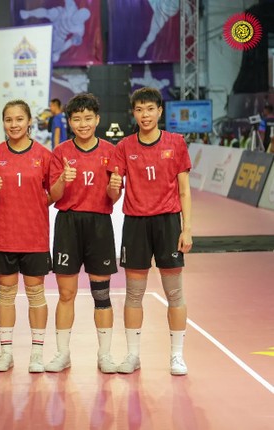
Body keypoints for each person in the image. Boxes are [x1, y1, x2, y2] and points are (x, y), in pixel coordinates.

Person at [107, 87, 192, 376]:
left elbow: (184, 190)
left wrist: (187, 229)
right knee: (134, 294)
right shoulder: (124, 147)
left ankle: (177, 356)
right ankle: (133, 355)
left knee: (175, 293)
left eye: (150, 109)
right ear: (134, 113)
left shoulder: (176, 142)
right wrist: (112, 185)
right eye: (140, 110)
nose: (145, 115)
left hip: (168, 223)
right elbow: (113, 193)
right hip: (136, 224)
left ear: (160, 112)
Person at [46, 93, 121, 374]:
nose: (83, 124)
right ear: (69, 122)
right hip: (68, 224)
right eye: (77, 119)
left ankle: (105, 355)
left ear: (97, 119)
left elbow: (113, 197)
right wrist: (62, 182)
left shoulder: (110, 151)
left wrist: (114, 185)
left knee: (101, 294)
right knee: (67, 294)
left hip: (99, 225)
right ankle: (62, 354)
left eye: (88, 118)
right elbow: (52, 197)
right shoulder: (61, 152)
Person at [0, 99, 53, 373]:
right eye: (9, 120)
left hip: (34, 237)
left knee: (36, 295)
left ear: (29, 121)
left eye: (19, 119)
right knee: (5, 295)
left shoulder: (44, 155)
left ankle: (36, 354)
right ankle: (6, 353)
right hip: (3, 236)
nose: (14, 124)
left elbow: (52, 196)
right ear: (3, 123)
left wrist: (61, 183)